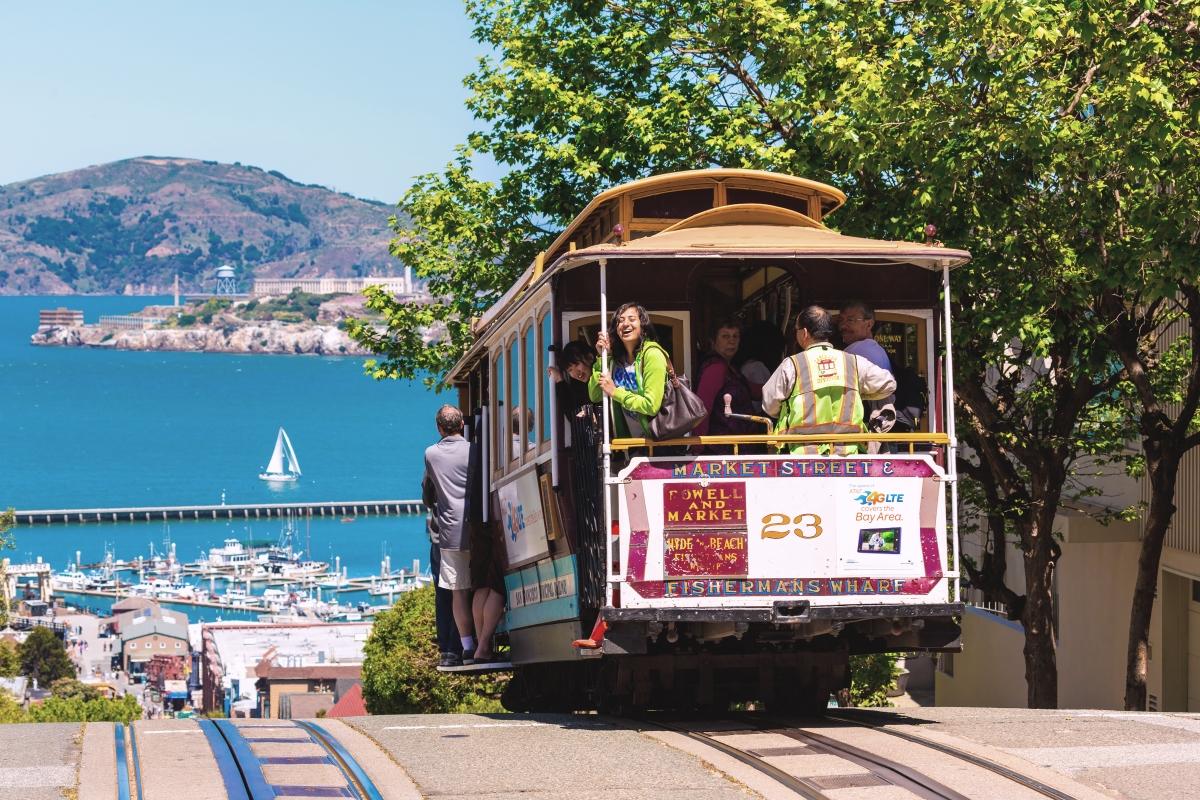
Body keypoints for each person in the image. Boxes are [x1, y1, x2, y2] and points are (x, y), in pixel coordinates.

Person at [762, 305, 897, 455]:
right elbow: (888, 385)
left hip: (803, 457)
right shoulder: (853, 362)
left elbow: (769, 405)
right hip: (847, 455)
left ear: (804, 333)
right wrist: (857, 393)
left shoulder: (792, 365)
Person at [422, 404, 475, 667]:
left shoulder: (431, 453)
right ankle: (479, 642)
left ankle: (455, 648)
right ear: (462, 425)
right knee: (479, 587)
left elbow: (427, 493)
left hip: (449, 532)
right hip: (478, 528)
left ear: (439, 428)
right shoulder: (475, 451)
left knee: (453, 591)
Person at [588, 302, 669, 439]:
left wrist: (615, 392)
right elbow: (595, 395)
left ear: (643, 326)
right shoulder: (616, 361)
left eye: (632, 319)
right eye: (620, 321)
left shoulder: (652, 354)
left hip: (658, 443)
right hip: (630, 446)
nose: (625, 324)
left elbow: (651, 405)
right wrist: (604, 357)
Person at [692, 319, 763, 444]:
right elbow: (702, 409)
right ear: (713, 341)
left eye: (735, 336)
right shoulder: (715, 368)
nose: (732, 340)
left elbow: (753, 391)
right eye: (725, 336)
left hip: (735, 445)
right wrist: (697, 445)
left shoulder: (731, 368)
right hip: (720, 449)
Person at [548, 340, 598, 422]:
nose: (575, 372)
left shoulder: (602, 376)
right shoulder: (578, 388)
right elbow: (572, 416)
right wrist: (559, 380)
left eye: (577, 364)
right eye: (570, 370)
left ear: (590, 357)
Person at [838, 300, 892, 372]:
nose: (843, 326)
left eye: (850, 320)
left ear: (869, 324)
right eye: (841, 320)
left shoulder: (857, 351)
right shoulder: (876, 349)